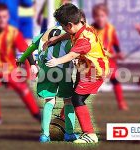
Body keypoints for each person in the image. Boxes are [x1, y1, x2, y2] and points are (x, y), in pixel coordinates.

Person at [46, 4, 110, 143]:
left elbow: (71, 55)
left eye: (63, 26)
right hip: (86, 69)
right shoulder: (80, 27)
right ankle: (64, 117)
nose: (63, 29)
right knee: (75, 95)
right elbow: (69, 33)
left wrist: (57, 61)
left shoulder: (84, 40)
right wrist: (56, 39)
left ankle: (90, 134)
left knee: (77, 99)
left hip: (94, 73)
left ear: (69, 25)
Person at [17, 25, 79, 143]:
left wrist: (22, 60)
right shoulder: (70, 33)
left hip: (46, 71)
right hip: (63, 70)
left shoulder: (43, 35)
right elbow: (78, 50)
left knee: (49, 100)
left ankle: (45, 135)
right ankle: (69, 134)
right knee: (68, 100)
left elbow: (29, 48)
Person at [91, 4, 128, 110]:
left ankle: (121, 102)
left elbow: (115, 43)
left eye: (102, 16)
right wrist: (114, 55)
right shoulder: (91, 30)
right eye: (97, 16)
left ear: (106, 16)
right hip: (95, 63)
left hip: (109, 62)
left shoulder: (110, 29)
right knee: (85, 88)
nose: (100, 18)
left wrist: (119, 53)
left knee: (115, 79)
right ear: (94, 17)